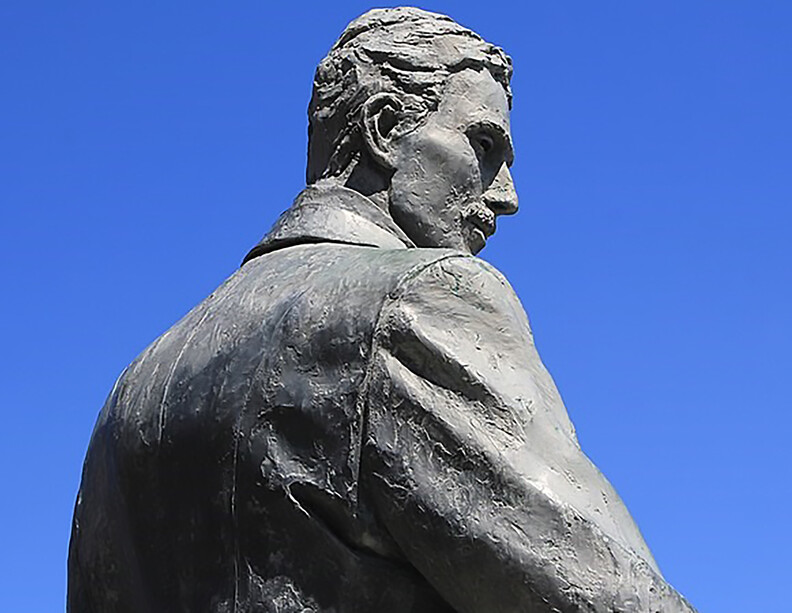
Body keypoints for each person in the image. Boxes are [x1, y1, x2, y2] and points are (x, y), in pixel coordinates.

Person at [69, 8, 697, 612]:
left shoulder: (132, 394)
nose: (506, 197)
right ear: (386, 128)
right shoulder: (422, 297)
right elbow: (604, 594)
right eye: (484, 147)